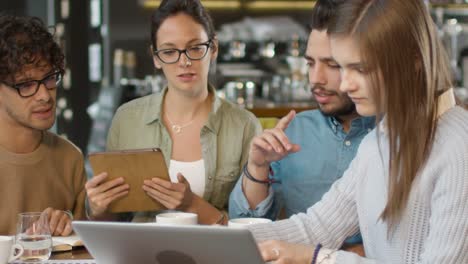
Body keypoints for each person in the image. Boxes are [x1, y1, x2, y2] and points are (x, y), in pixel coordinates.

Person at [247, 0, 468, 263]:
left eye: (361, 69)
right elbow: (316, 228)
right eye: (342, 67)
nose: (346, 84)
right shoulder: (377, 142)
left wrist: (319, 258)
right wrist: (211, 236)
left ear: (413, 60)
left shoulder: (458, 147)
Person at [85, 0, 261, 225]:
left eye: (195, 48)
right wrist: (99, 209)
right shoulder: (127, 119)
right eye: (169, 51)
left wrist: (192, 205)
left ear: (213, 49)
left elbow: (254, 228)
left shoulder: (244, 125)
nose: (184, 61)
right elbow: (115, 220)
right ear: (156, 57)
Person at [228, 0, 374, 245]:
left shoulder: (394, 134)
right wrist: (257, 167)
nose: (316, 79)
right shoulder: (292, 132)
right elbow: (245, 224)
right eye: (310, 63)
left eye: (332, 65)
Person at [0, 14, 87, 236]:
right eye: (26, 84)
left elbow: (85, 252)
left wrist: (67, 226)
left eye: (49, 78)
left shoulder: (70, 158)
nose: (44, 95)